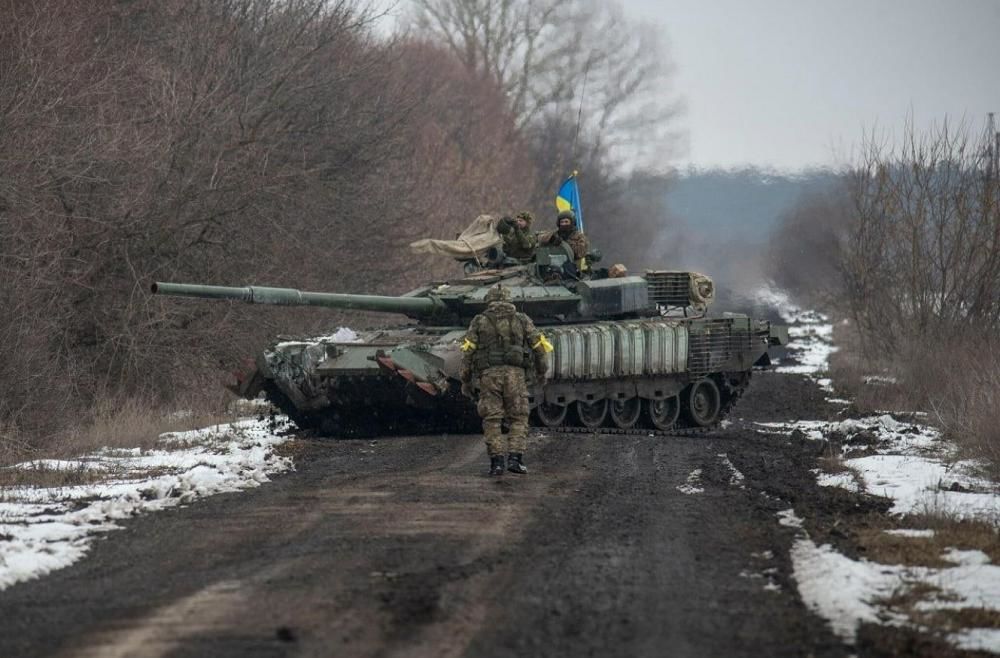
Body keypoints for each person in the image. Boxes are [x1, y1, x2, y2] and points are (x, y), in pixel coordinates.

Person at [460, 285, 552, 476]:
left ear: (489, 300)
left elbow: (467, 352)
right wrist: (542, 371)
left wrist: (466, 380)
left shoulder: (479, 321)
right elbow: (539, 347)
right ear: (510, 300)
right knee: (518, 418)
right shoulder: (522, 320)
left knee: (492, 419)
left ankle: (497, 463)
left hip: (489, 377)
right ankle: (515, 459)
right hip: (515, 376)